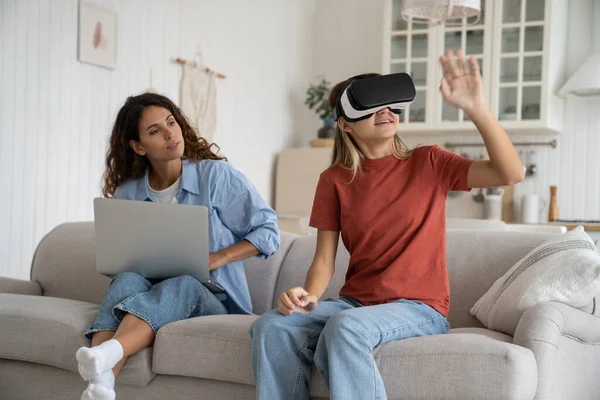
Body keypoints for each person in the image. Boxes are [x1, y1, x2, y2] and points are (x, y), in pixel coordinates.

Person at [249, 49, 524, 400]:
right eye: (370, 104)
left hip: (418, 308)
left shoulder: (430, 162)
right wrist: (309, 297)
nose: (386, 111)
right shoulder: (335, 180)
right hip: (356, 304)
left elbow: (510, 173)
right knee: (272, 326)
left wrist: (477, 109)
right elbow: (323, 259)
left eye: (390, 103)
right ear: (346, 122)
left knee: (345, 327)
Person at [77, 93, 280, 400]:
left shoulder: (216, 176)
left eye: (170, 123)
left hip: (212, 298)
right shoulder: (127, 193)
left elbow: (268, 231)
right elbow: (119, 259)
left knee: (183, 283)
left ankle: (106, 355)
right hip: (150, 291)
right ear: (138, 146)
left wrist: (218, 257)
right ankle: (101, 384)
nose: (170, 134)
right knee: (126, 280)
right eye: (155, 131)